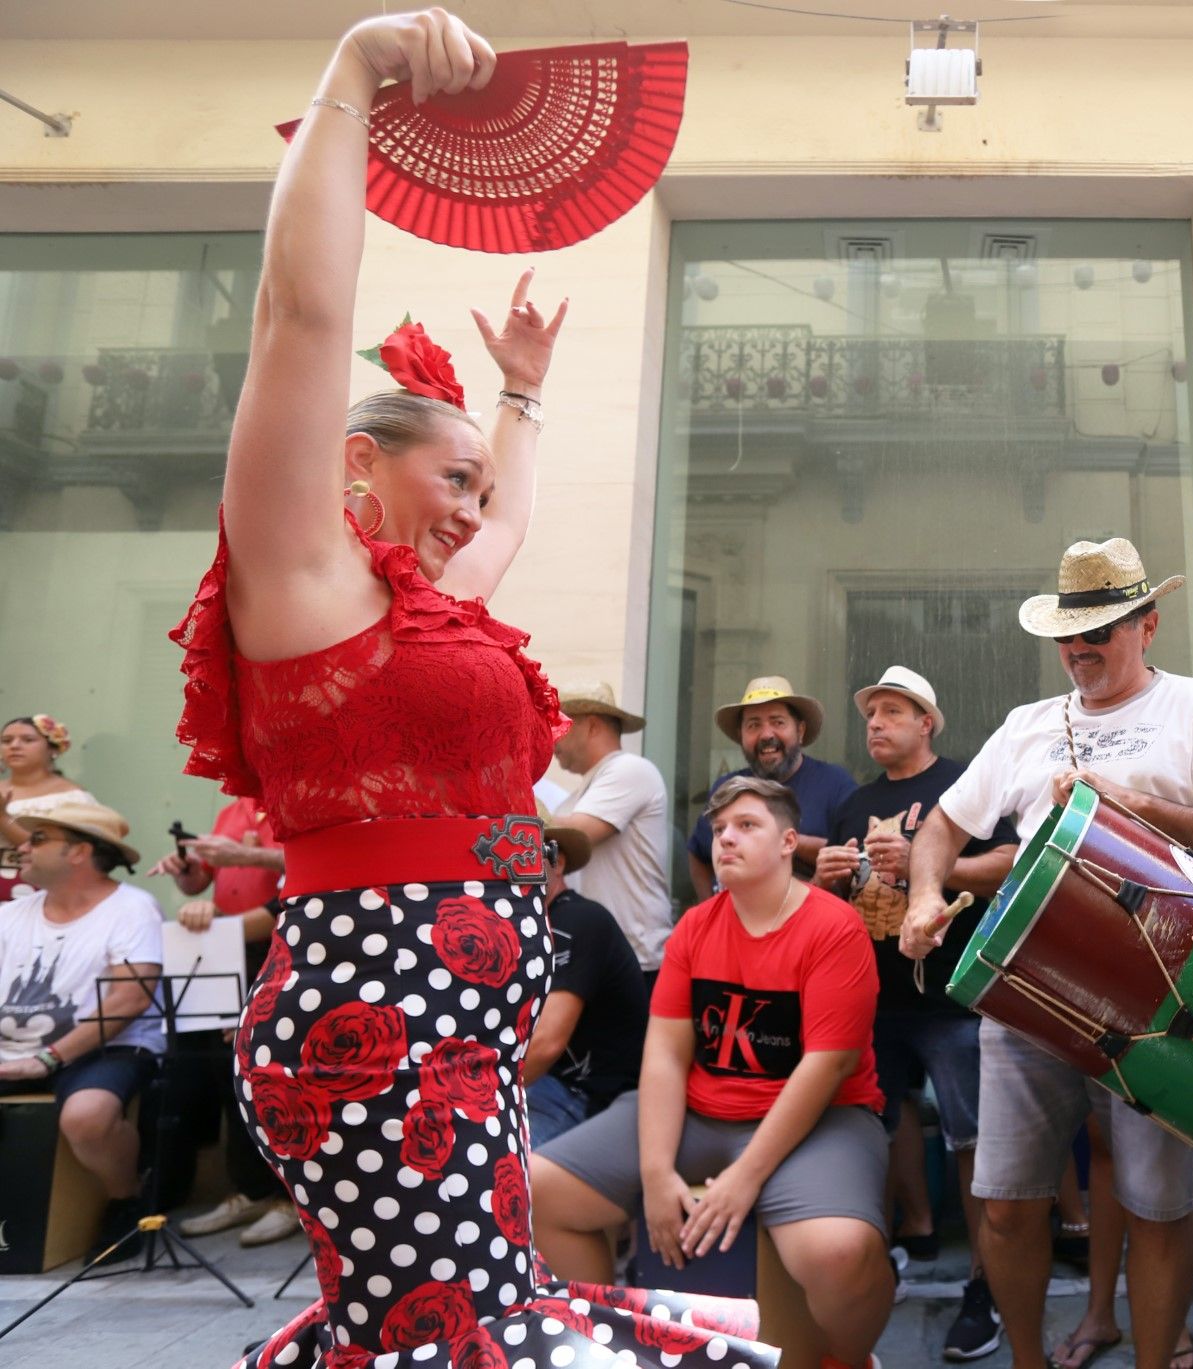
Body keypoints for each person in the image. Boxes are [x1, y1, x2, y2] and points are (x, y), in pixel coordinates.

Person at [167, 14, 770, 1365]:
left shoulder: (418, 611)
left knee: (459, 1326)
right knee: (453, 1336)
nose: (470, 516)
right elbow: (299, 312)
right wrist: (354, 72)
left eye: (475, 491)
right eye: (450, 482)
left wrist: (519, 401)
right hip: (373, 1025)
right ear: (359, 469)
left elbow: (504, 528)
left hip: (454, 1022)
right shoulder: (299, 574)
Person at [901, 537, 1193, 1369]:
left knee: (1158, 1205)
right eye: (1070, 633)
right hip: (1027, 987)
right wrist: (926, 894)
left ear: (1148, 624)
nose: (1081, 648)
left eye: (1101, 629)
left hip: (1161, 995)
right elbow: (944, 826)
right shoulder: (1026, 726)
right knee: (1002, 1203)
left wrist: (1131, 801)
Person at [531, 777, 895, 1369]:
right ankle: (605, 1346)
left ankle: (850, 1358)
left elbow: (827, 1068)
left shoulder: (833, 927)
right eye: (720, 828)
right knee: (539, 1192)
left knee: (839, 1253)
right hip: (704, 1112)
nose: (726, 838)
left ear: (788, 842)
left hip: (822, 1117)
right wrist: (654, 1173)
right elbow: (666, 1055)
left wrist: (745, 1178)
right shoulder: (697, 926)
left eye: (747, 826)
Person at [816, 665, 1018, 1361]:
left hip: (955, 997)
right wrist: (826, 884)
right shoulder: (850, 802)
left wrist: (930, 865)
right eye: (872, 713)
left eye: (893, 711)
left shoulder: (964, 789)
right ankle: (908, 1240)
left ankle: (985, 1284)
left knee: (975, 1143)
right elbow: (838, 912)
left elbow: (1016, 864)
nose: (876, 723)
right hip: (871, 999)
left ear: (926, 722)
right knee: (878, 1123)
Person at [0, 801, 164, 1259]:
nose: (21, 847)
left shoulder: (131, 908)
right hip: (13, 1049)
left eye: (37, 838)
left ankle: (127, 1200)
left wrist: (48, 1058)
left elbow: (129, 1000)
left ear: (78, 852)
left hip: (106, 1048)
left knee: (86, 1116)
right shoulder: (11, 914)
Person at [151, 794, 295, 1245]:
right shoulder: (232, 807)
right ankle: (249, 1188)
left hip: (278, 944)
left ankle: (287, 1197)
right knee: (222, 1072)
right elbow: (208, 882)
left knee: (270, 1076)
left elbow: (308, 864)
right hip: (228, 947)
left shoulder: (297, 795)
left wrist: (246, 856)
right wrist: (192, 875)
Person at [522, 823, 647, 1145]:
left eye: (523, 849)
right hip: (547, 1086)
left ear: (557, 861)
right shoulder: (530, 924)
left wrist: (476, 1092)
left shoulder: (578, 920)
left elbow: (547, 1043)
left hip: (584, 1094)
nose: (510, 862)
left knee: (499, 1179)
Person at [688, 676, 857, 901]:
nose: (767, 735)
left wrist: (777, 840)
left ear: (800, 730)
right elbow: (698, 853)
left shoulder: (836, 784)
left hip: (816, 928)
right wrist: (710, 907)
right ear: (741, 735)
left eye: (778, 722)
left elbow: (855, 857)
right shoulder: (726, 789)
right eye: (754, 725)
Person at [551, 683, 673, 979]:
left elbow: (577, 833)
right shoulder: (578, 796)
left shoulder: (630, 769)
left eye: (559, 726)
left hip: (635, 959)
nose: (551, 739)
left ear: (592, 726)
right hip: (595, 954)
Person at [0, 714, 94, 853]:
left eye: (28, 740)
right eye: (7, 741)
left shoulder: (72, 797)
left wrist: (2, 817)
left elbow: (53, 851)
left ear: (53, 749)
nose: (14, 746)